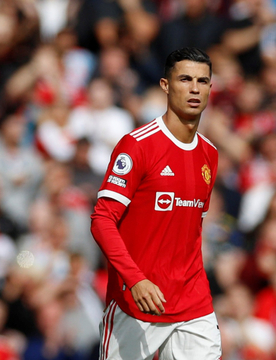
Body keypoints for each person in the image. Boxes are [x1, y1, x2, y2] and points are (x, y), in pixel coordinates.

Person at [90, 47, 221, 359]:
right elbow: (102, 220)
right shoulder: (137, 146)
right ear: (165, 85)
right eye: (185, 79)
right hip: (136, 303)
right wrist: (135, 280)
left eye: (202, 81)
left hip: (193, 302)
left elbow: (191, 231)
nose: (194, 88)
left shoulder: (210, 154)